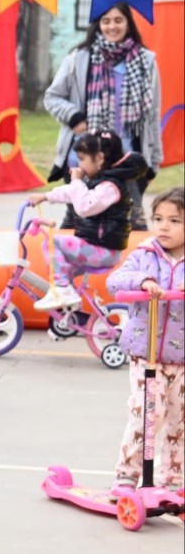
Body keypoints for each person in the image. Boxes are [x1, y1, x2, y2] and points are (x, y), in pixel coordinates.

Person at [43, 0, 162, 231]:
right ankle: (63, 265)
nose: (112, 27)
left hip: (126, 160)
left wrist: (154, 159)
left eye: (118, 20)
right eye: (106, 21)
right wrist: (74, 117)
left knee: (131, 225)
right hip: (86, 159)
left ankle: (137, 267)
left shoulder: (145, 61)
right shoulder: (78, 58)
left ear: (128, 23)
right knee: (80, 223)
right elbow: (52, 96)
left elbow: (152, 114)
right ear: (98, 25)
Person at [105, 187, 184, 491]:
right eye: (159, 218)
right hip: (145, 356)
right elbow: (115, 280)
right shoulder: (144, 255)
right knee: (147, 415)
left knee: (179, 421)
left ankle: (173, 481)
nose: (164, 226)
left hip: (181, 360)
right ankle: (126, 476)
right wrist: (143, 281)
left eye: (175, 220)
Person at [28, 129, 147, 311]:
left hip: (103, 250)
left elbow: (84, 207)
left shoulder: (110, 186)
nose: (79, 164)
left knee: (52, 243)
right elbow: (71, 192)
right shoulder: (101, 180)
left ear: (99, 158)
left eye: (83, 159)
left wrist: (76, 181)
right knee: (61, 268)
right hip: (97, 247)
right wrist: (45, 196)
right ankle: (68, 311)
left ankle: (62, 291)